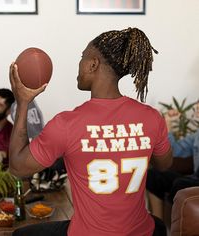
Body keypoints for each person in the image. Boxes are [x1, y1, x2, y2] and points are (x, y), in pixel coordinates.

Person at [9, 27, 172, 236]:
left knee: (20, 234)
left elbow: (17, 167)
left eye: (82, 58)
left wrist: (23, 103)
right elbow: (165, 164)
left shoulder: (67, 124)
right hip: (141, 232)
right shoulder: (151, 117)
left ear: (93, 64)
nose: (78, 65)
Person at [146, 105, 199, 220]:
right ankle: (159, 226)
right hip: (195, 179)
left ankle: (176, 228)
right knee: (153, 176)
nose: (196, 108)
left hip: (192, 182)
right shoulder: (196, 136)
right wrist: (168, 125)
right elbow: (174, 151)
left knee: (181, 184)